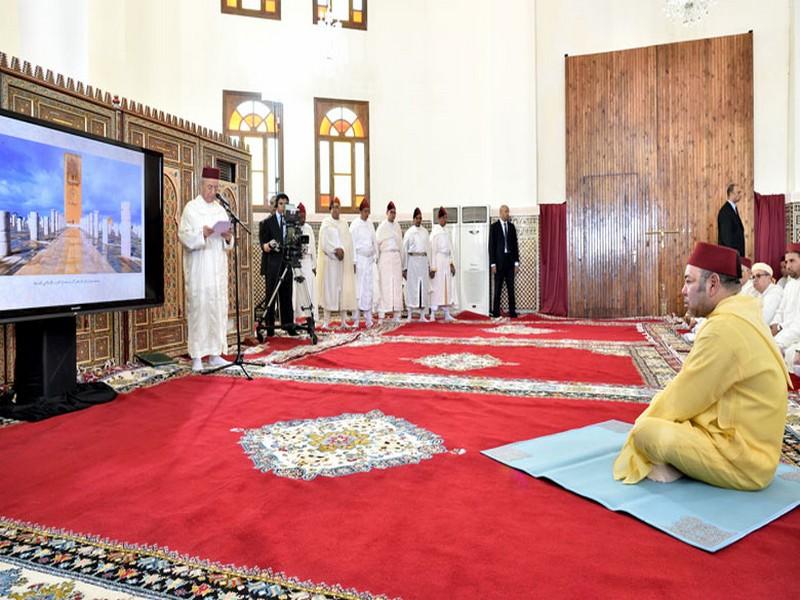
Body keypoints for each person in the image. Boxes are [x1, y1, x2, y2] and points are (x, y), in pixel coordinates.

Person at [614, 242, 789, 490]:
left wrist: (641, 430)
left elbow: (683, 396)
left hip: (746, 463)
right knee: (673, 418)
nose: (683, 290)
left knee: (646, 431)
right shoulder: (745, 312)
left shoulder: (724, 328)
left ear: (713, 284)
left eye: (688, 281)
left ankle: (679, 461)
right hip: (753, 448)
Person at [178, 166, 234, 372]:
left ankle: (215, 354)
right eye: (210, 186)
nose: (212, 190)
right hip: (199, 270)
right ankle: (197, 357)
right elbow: (183, 235)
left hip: (217, 269)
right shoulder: (191, 208)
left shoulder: (220, 210)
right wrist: (201, 233)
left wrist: (229, 238)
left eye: (215, 187)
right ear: (201, 185)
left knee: (216, 310)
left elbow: (228, 243)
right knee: (199, 311)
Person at [316, 197, 357, 329]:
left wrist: (343, 251)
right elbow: (323, 244)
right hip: (330, 263)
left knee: (342, 290)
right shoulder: (326, 223)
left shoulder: (344, 224)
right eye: (333, 207)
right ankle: (326, 321)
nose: (336, 209)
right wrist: (335, 251)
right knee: (329, 291)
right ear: (330, 209)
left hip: (342, 263)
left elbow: (348, 243)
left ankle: (343, 321)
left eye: (338, 207)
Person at [259, 193, 296, 337]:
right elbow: (263, 243)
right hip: (273, 265)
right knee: (271, 296)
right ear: (276, 205)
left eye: (286, 204)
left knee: (287, 295)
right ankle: (269, 327)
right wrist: (267, 245)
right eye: (281, 203)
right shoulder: (267, 223)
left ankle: (288, 325)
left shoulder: (291, 222)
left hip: (286, 263)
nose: (283, 206)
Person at [350, 199, 379, 328]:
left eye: (369, 212)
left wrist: (375, 255)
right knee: (358, 290)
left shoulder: (370, 224)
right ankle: (356, 320)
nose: (367, 214)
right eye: (366, 211)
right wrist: (354, 261)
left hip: (369, 261)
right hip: (360, 260)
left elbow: (374, 241)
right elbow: (352, 244)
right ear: (361, 211)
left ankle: (368, 319)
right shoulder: (355, 225)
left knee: (368, 289)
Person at [489, 204, 520, 318]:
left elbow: (515, 245)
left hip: (510, 263)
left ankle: (512, 312)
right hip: (498, 263)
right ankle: (496, 312)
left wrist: (516, 263)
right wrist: (492, 263)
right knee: (498, 288)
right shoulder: (494, 227)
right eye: (505, 212)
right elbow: (491, 247)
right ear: (500, 213)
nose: (507, 214)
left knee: (511, 288)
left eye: (508, 212)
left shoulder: (511, 227)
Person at [376, 201, 404, 322]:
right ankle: (382, 314)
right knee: (385, 285)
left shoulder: (397, 226)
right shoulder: (382, 227)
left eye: (394, 213)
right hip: (385, 258)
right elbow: (377, 245)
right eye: (391, 212)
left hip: (396, 257)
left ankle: (397, 314)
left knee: (396, 285)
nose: (393, 215)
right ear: (386, 213)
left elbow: (401, 245)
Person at [429, 206, 458, 322]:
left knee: (447, 287)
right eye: (444, 218)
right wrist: (433, 268)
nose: (445, 220)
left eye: (446, 218)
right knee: (437, 288)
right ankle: (432, 314)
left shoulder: (446, 231)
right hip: (438, 262)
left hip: (446, 262)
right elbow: (432, 251)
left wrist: (451, 264)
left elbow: (450, 249)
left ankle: (446, 313)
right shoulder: (435, 233)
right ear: (439, 218)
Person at [403, 207, 432, 321]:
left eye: (420, 218)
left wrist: (430, 265)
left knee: (423, 287)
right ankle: (410, 314)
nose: (419, 220)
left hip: (423, 261)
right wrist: (404, 268)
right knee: (412, 287)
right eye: (417, 218)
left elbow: (428, 249)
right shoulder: (409, 232)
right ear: (413, 219)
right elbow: (405, 250)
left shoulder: (425, 232)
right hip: (413, 262)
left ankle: (422, 315)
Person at [770, 243, 800, 353]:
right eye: (786, 262)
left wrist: (777, 342)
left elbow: (798, 326)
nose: (788, 266)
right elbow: (780, 310)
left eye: (792, 261)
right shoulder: (790, 284)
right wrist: (774, 324)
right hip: (785, 334)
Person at [292, 202, 317, 322]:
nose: (303, 218)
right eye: (300, 216)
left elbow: (313, 248)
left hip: (307, 263)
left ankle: (309, 318)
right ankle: (296, 317)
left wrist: (314, 265)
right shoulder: (292, 228)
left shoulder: (309, 228)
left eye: (304, 216)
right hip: (296, 263)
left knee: (308, 291)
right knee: (296, 293)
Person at [717, 183, 745, 256]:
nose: (740, 195)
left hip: (735, 255)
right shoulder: (725, 212)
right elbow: (727, 238)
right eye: (738, 192)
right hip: (730, 256)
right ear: (731, 194)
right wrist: (733, 256)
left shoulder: (733, 209)